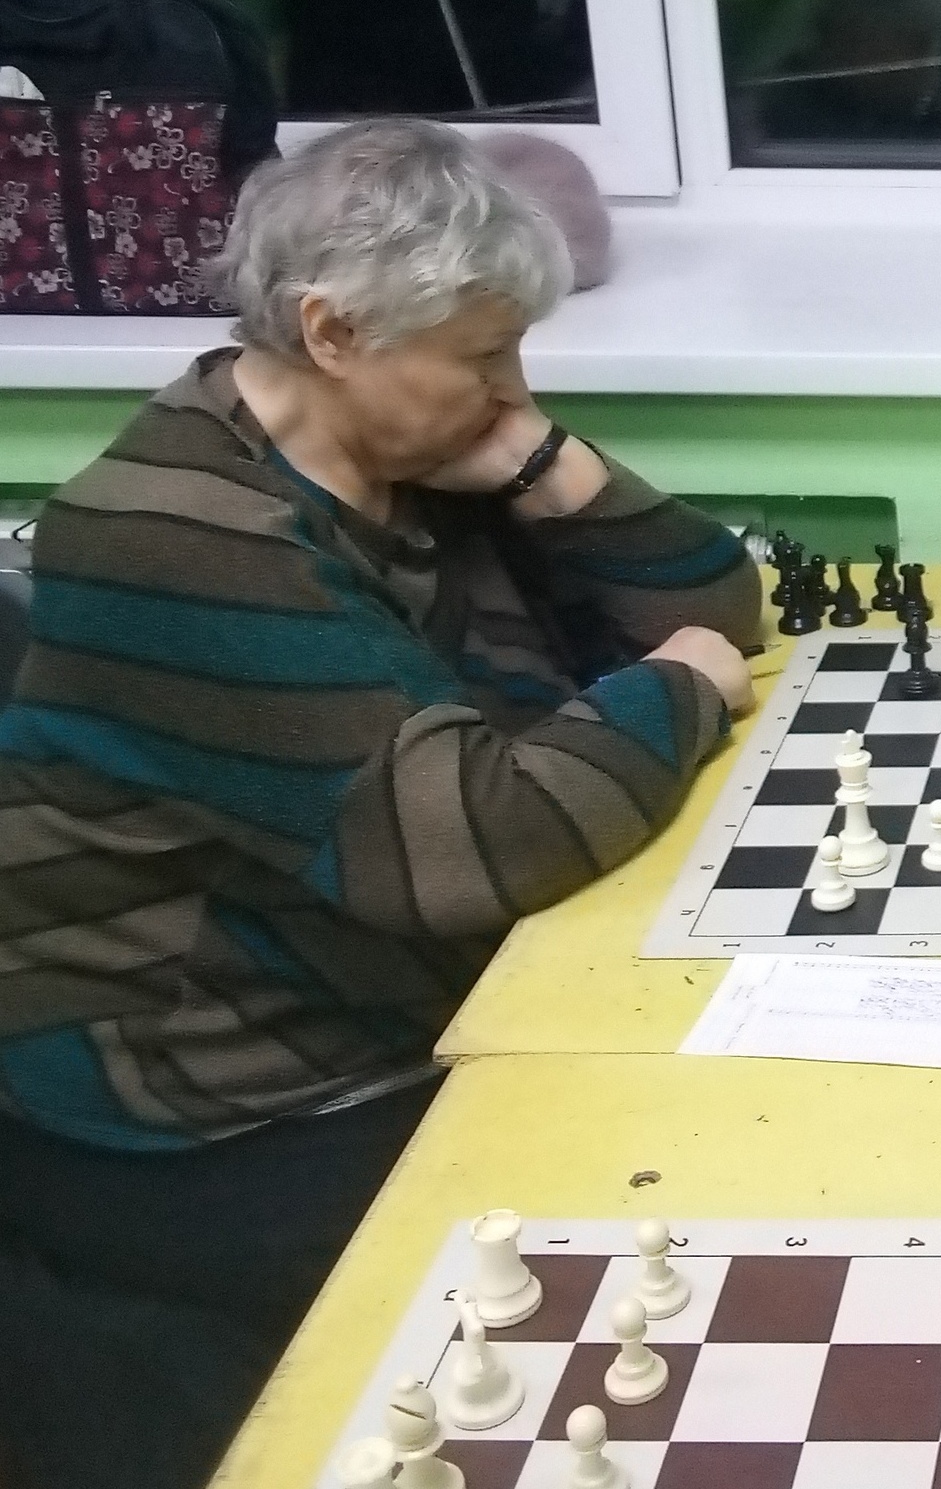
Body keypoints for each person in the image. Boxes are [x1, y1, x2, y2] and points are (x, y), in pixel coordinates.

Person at [0, 120, 763, 1488]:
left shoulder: (408, 460)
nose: (513, 390)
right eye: (485, 358)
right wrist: (680, 687)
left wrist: (543, 462)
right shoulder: (175, 534)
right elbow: (472, 844)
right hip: (212, 1093)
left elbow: (713, 601)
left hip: (394, 1003)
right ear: (335, 332)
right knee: (617, 1313)